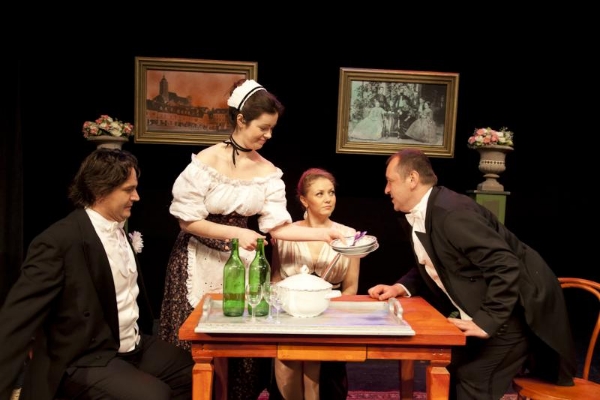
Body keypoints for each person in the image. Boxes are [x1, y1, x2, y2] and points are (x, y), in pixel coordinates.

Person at [158, 79, 346, 400]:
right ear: (241, 119)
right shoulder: (206, 162)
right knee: (199, 351)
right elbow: (187, 220)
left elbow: (278, 228)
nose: (268, 135)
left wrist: (325, 233)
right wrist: (238, 233)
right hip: (199, 260)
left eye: (272, 129)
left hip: (241, 264)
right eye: (263, 127)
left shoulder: (267, 171)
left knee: (239, 353)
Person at [368, 149, 576, 400]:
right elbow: (437, 261)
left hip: (516, 316)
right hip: (486, 312)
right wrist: (400, 287)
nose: (386, 190)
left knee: (472, 378)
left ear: (412, 179)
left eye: (390, 181)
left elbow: (506, 265)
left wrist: (486, 321)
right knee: (448, 365)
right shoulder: (427, 211)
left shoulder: (453, 214)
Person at [0, 149, 194, 400]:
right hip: (84, 357)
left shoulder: (119, 231)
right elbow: (17, 319)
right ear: (100, 190)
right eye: (128, 189)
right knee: (154, 395)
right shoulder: (59, 241)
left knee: (191, 371)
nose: (136, 197)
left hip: (130, 346)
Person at [270, 168, 360, 400]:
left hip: (330, 318)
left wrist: (333, 320)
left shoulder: (349, 235)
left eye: (331, 192)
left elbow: (351, 288)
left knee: (323, 381)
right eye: (320, 194)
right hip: (290, 317)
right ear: (304, 200)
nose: (328, 199)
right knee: (287, 369)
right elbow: (275, 279)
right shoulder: (286, 234)